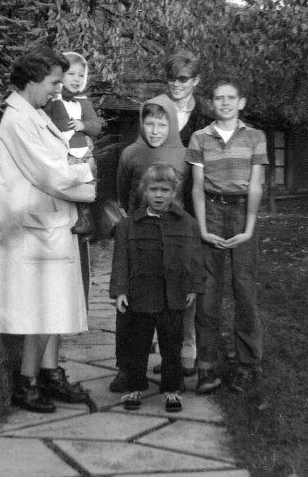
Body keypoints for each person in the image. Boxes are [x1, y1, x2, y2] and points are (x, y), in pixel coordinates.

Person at [0, 47, 96, 413]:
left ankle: (45, 377)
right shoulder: (18, 120)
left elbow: (58, 160)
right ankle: (26, 383)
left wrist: (74, 165)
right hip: (34, 228)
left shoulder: (31, 113)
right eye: (52, 82)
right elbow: (52, 173)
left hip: (46, 224)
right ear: (32, 79)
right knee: (42, 308)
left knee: (53, 306)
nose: (57, 89)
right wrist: (89, 172)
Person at [186, 75, 269, 394]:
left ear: (241, 102)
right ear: (211, 103)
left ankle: (247, 365)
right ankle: (206, 367)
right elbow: (196, 187)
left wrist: (248, 228)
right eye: (218, 98)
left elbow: (257, 185)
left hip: (241, 213)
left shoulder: (255, 137)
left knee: (244, 290)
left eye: (230, 97)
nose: (224, 103)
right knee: (208, 292)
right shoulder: (200, 138)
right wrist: (204, 229)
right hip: (212, 211)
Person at [109, 95, 189, 393]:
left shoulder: (183, 154)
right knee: (128, 306)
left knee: (169, 307)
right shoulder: (130, 153)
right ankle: (125, 368)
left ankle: (173, 368)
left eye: (162, 123)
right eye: (149, 123)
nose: (155, 130)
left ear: (171, 123)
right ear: (141, 123)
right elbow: (121, 192)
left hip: (170, 240)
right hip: (136, 238)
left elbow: (187, 196)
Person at [110, 163, 204, 413]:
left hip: (172, 296)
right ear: (144, 191)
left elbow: (195, 258)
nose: (159, 195)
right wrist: (120, 291)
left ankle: (172, 389)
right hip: (139, 297)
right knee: (137, 344)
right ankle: (134, 386)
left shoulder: (187, 224)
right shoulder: (128, 225)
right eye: (153, 189)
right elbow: (120, 260)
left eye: (165, 190)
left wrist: (193, 287)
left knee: (171, 345)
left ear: (174, 192)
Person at [158, 50, 213, 378]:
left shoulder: (205, 116)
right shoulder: (157, 109)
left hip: (192, 203)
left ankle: (188, 344)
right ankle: (165, 345)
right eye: (171, 79)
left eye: (182, 79)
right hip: (160, 200)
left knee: (187, 275)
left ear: (195, 81)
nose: (176, 85)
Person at [45, 52, 104, 238]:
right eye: (71, 74)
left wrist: (84, 125)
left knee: (88, 180)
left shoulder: (83, 103)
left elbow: (96, 126)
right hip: (62, 154)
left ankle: (87, 219)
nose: (76, 79)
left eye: (80, 75)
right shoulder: (51, 100)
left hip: (82, 152)